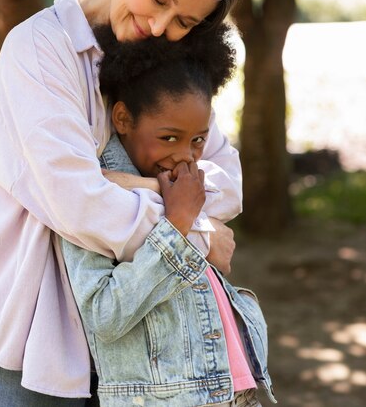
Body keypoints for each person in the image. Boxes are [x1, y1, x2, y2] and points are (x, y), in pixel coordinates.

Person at [0, 0, 243, 406]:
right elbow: (79, 203)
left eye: (185, 22)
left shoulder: (162, 59)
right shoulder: (39, 50)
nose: (160, 26)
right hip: (34, 357)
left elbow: (225, 178)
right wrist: (192, 231)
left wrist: (139, 186)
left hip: (138, 363)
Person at [61, 26, 276, 406]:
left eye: (197, 140)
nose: (185, 156)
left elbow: (230, 190)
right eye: (169, 138)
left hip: (234, 388)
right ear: (123, 119)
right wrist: (177, 226)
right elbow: (104, 314)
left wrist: (157, 191)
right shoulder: (95, 192)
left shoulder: (177, 184)